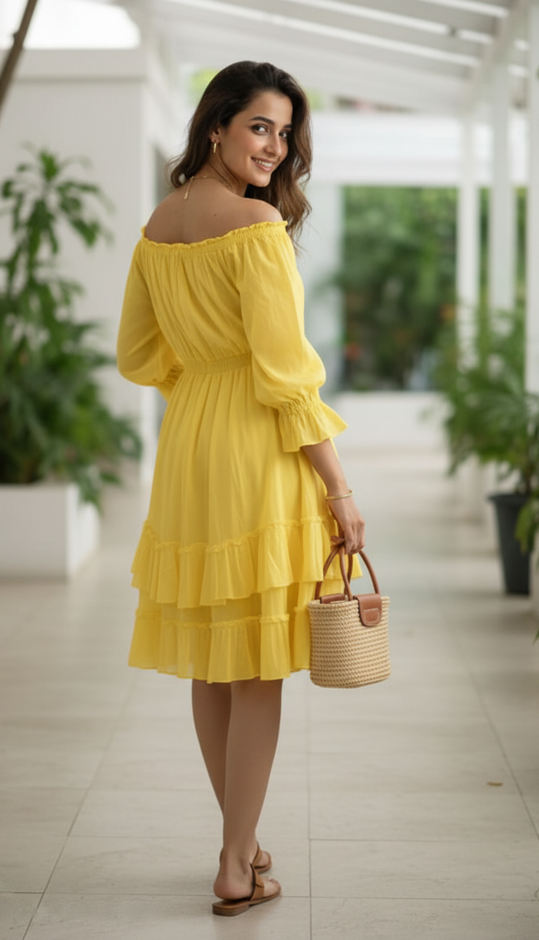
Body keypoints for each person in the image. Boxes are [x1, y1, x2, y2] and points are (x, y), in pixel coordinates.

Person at [117, 60, 365, 917]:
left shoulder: (158, 224)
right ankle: (234, 862)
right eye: (261, 126)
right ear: (216, 124)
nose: (276, 145)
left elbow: (140, 354)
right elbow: (288, 379)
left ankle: (243, 843)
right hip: (257, 450)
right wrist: (339, 490)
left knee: (217, 667)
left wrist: (203, 385)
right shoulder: (257, 227)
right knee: (256, 666)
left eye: (286, 131)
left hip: (191, 444)